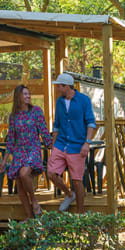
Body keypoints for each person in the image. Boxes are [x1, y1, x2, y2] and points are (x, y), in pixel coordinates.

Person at [0, 85, 53, 219]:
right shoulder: (13, 116)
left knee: (24, 174)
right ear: (18, 96)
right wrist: (5, 160)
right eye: (25, 94)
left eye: (29, 94)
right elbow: (11, 139)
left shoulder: (36, 111)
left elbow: (44, 131)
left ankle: (34, 200)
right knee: (20, 185)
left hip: (33, 150)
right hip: (19, 152)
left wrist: (51, 144)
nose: (28, 96)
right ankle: (29, 217)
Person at [48, 73, 96, 213]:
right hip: (61, 144)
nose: (57, 88)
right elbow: (56, 124)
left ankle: (80, 213)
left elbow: (91, 123)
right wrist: (53, 143)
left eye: (59, 86)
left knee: (77, 180)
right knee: (51, 173)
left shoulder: (84, 100)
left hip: (77, 145)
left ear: (66, 86)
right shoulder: (59, 102)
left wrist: (87, 143)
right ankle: (69, 194)